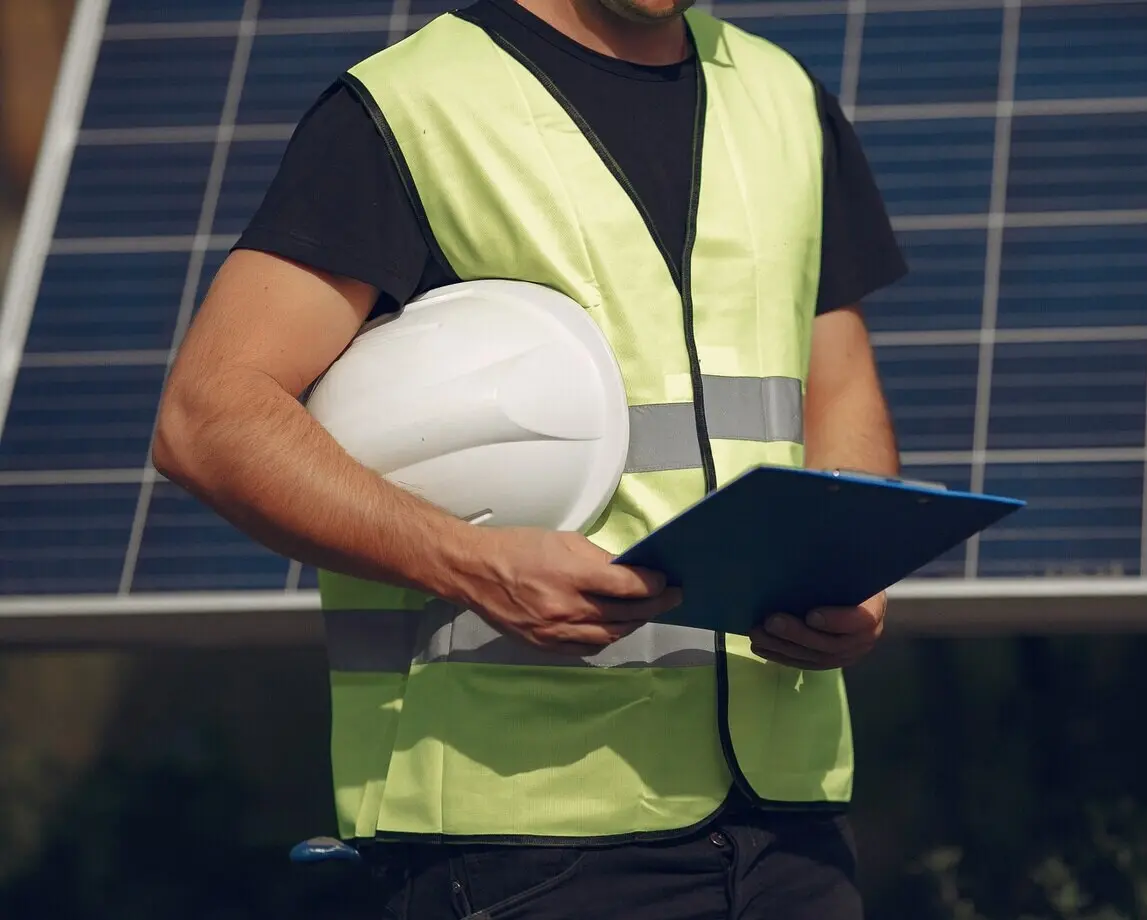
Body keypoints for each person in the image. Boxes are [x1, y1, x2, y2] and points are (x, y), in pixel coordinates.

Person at [152, 0, 908, 915]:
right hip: (522, 832)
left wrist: (854, 568)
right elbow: (209, 417)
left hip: (792, 825)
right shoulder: (408, 108)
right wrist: (472, 564)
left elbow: (840, 383)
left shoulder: (786, 99)